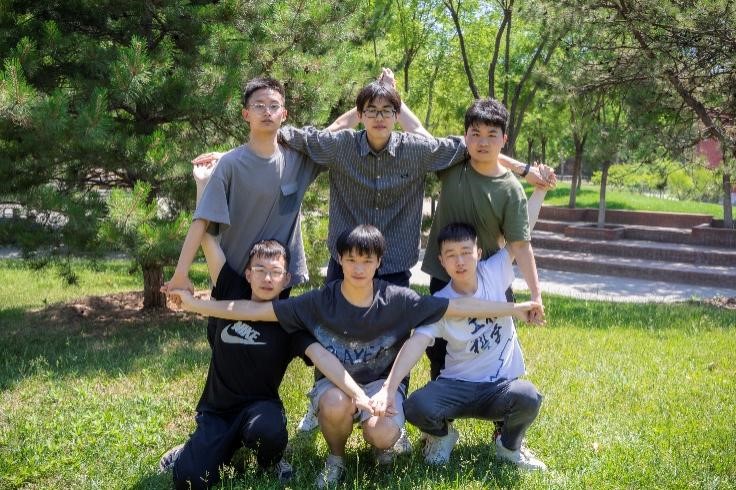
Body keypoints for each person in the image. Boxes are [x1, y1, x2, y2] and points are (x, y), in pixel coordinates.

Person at [168, 224, 543, 488]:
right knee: (334, 403)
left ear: (379, 262)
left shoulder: (398, 300)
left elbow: (456, 307)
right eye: (351, 260)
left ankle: (383, 447)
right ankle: (336, 459)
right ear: (340, 260)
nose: (359, 268)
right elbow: (253, 311)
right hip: (337, 387)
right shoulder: (320, 301)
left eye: (367, 260)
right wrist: (196, 305)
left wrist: (516, 308)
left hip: (381, 385)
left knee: (382, 432)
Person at [158, 165, 372, 489]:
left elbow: (323, 358)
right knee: (189, 480)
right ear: (248, 274)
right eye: (260, 270)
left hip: (260, 409)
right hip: (217, 411)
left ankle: (271, 460)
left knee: (268, 433)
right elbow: (208, 238)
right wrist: (204, 185)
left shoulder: (289, 318)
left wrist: (359, 394)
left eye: (275, 272)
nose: (267, 278)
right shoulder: (230, 288)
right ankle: (199, 447)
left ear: (287, 279)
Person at [370, 187, 550, 472]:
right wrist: (388, 389)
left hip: (500, 387)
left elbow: (521, 228)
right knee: (416, 406)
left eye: (466, 252)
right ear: (441, 261)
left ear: (479, 253)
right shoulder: (440, 302)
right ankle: (443, 436)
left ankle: (508, 446)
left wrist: (539, 191)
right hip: (457, 387)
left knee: (528, 396)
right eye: (451, 255)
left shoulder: (494, 271)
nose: (460, 261)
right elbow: (416, 343)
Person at [421, 97, 554, 380]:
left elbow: (521, 244)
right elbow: (420, 133)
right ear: (465, 136)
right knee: (440, 349)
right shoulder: (452, 164)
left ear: (504, 139)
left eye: (492, 135)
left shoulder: (510, 190)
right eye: (476, 134)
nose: (483, 142)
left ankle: (501, 405)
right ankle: (443, 405)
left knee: (496, 349)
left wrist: (536, 295)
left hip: (491, 280)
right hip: (444, 276)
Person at [164, 76, 330, 298]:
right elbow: (202, 220)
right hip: (232, 277)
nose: (267, 112)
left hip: (277, 280)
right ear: (246, 114)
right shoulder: (230, 164)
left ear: (284, 114)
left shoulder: (298, 160)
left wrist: (362, 112)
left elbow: (335, 135)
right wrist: (181, 274)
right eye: (259, 106)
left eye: (274, 106)